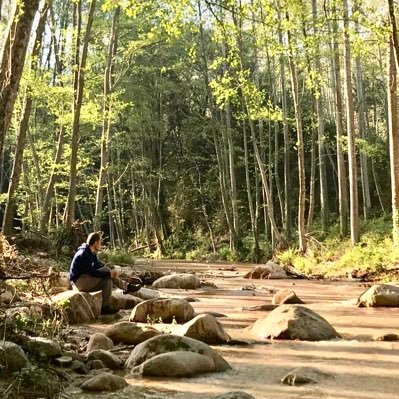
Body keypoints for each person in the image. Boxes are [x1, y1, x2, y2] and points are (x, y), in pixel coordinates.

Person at [69, 232, 141, 315]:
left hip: (85, 278)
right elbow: (92, 272)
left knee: (108, 281)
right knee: (107, 276)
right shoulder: (83, 254)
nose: (100, 244)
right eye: (100, 242)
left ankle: (105, 307)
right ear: (96, 242)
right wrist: (109, 274)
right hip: (79, 282)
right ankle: (127, 287)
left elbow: (97, 264)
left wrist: (110, 270)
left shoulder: (90, 252)